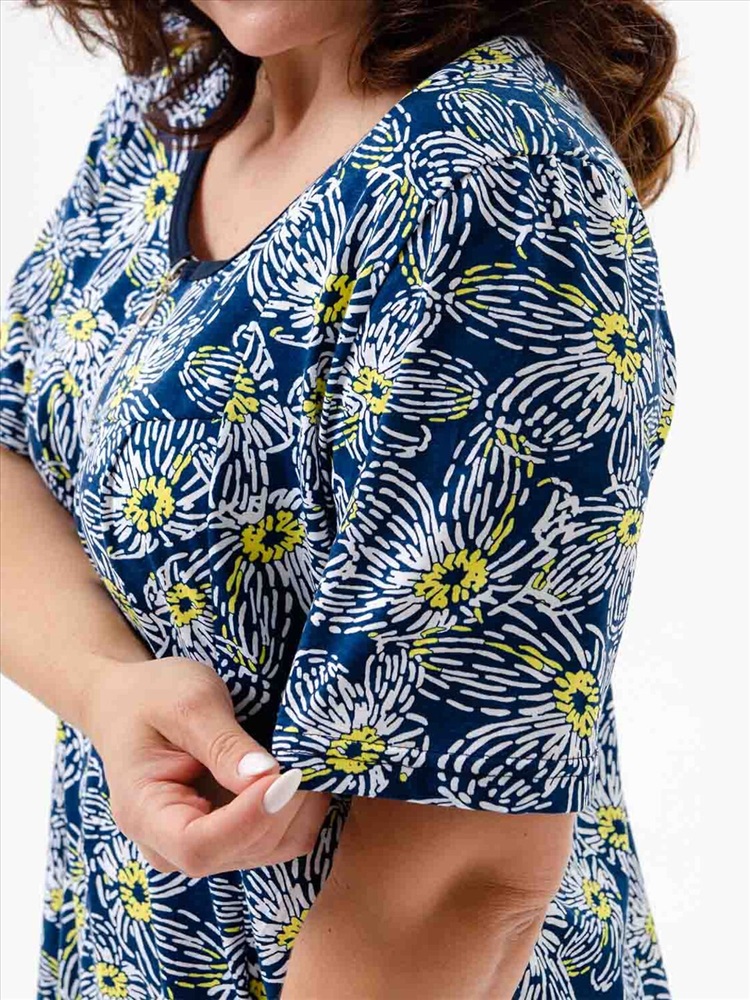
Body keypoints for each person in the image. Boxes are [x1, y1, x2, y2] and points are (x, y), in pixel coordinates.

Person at [0, 0, 690, 997]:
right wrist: (110, 687)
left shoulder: (494, 185)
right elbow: (16, 441)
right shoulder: (182, 101)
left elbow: (460, 877)